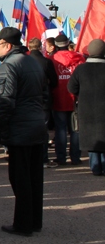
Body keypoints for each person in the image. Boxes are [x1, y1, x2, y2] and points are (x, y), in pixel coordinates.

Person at [0, 27, 48, 237]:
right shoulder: (33, 62)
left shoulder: (9, 66)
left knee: (20, 178)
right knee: (34, 177)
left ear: (8, 46)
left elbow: (4, 103)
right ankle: (34, 221)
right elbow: (45, 94)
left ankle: (23, 224)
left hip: (20, 128)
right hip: (36, 125)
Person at [68, 39, 105, 176]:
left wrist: (82, 95)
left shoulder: (81, 69)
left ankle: (95, 167)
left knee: (92, 138)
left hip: (86, 108)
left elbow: (71, 87)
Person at [49, 33, 86, 165]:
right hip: (76, 98)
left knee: (60, 129)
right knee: (76, 129)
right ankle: (75, 157)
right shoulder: (79, 58)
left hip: (58, 98)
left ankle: (61, 157)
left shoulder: (52, 59)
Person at [27, 37, 59, 168]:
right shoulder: (46, 62)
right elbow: (54, 82)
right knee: (43, 130)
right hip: (43, 100)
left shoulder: (24, 62)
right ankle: (43, 159)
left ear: (29, 47)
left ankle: (31, 158)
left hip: (28, 101)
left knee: (30, 129)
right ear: (41, 47)